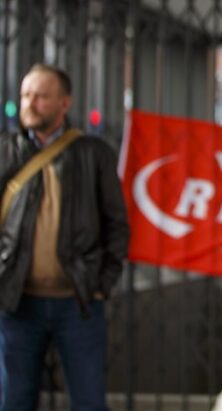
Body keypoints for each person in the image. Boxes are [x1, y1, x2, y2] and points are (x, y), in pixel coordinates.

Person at [0, 63, 129, 410]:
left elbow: (117, 224)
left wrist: (103, 283)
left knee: (88, 400)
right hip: (17, 303)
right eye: (26, 95)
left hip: (79, 302)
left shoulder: (93, 153)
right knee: (14, 399)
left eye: (41, 96)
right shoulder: (6, 151)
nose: (30, 103)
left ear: (64, 103)